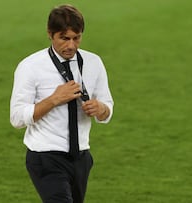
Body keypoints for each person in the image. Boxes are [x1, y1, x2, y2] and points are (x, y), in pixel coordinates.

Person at [10, 4, 114, 203]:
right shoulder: (30, 67)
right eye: (64, 38)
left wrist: (101, 109)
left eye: (77, 38)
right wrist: (54, 99)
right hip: (45, 156)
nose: (71, 46)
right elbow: (16, 118)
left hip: (81, 157)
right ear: (50, 34)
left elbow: (107, 108)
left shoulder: (94, 63)